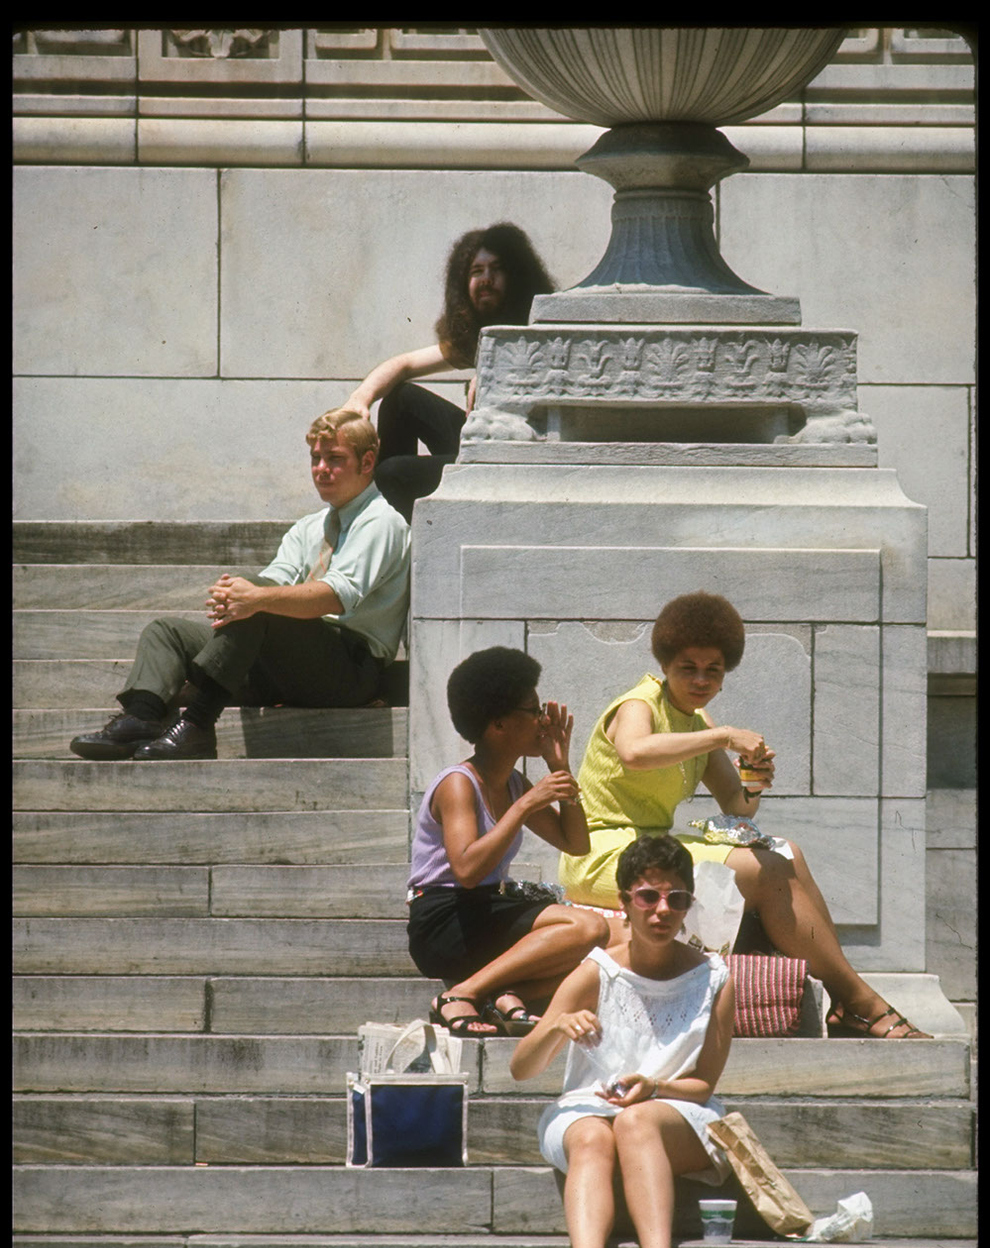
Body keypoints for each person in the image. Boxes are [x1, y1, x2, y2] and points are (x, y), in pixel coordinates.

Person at [558, 590, 930, 1040]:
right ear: (665, 666)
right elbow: (635, 752)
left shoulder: (697, 723)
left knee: (786, 851)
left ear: (725, 672)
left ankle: (847, 997)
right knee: (761, 868)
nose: (700, 680)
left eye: (712, 671)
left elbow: (737, 805)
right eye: (687, 669)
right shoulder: (640, 704)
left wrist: (753, 778)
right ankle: (857, 1000)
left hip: (651, 848)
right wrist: (725, 736)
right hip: (600, 853)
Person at [69, 409, 410, 761]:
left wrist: (254, 597)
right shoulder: (310, 526)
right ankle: (142, 716)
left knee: (259, 601)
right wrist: (235, 595)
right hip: (289, 661)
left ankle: (198, 724)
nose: (321, 469)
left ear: (367, 462)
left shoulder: (381, 522)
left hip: (348, 670)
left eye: (335, 459)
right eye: (315, 458)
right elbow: (275, 580)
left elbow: (335, 596)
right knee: (167, 631)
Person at [512, 834, 735, 1248]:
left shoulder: (714, 977)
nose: (662, 911)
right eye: (648, 897)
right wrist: (554, 1026)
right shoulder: (598, 972)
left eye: (676, 899)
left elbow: (704, 1086)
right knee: (592, 1134)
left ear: (688, 906)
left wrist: (654, 1087)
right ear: (624, 903)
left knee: (637, 1123)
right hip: (592, 1106)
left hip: (677, 1113)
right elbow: (521, 1068)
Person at [407, 646, 609, 1037]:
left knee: (611, 938)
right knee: (587, 928)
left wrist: (560, 770)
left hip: (482, 910)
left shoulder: (515, 782)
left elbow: (576, 843)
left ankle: (505, 994)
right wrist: (526, 805)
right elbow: (465, 870)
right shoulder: (458, 784)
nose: (544, 721)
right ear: (498, 725)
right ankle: (460, 995)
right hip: (443, 919)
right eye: (533, 712)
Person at [342, 223, 554, 521]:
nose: (486, 280)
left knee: (394, 473)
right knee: (401, 398)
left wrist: (496, 375)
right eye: (476, 271)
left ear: (516, 276)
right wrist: (360, 400)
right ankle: (387, 527)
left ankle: (392, 530)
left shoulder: (541, 330)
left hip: (513, 458)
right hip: (479, 442)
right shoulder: (475, 338)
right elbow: (403, 364)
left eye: (496, 269)